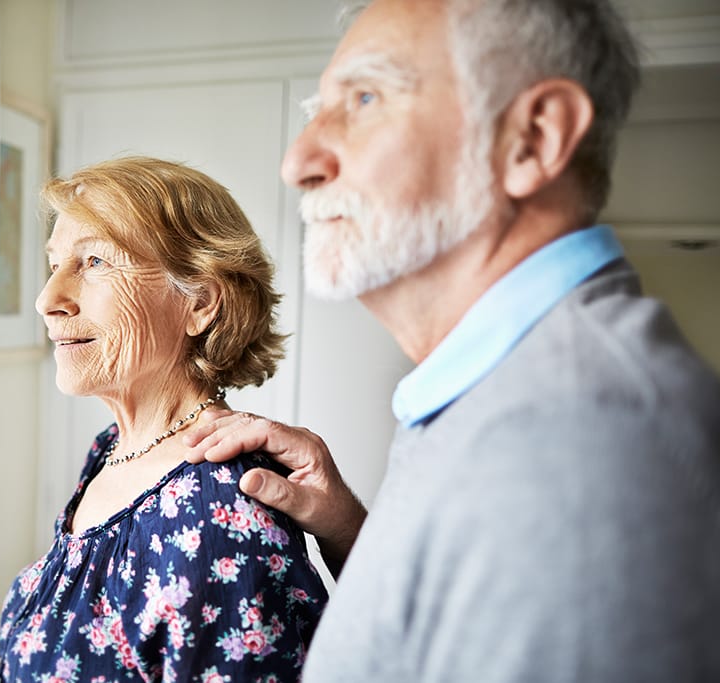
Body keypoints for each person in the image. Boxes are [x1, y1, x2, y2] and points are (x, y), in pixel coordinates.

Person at [185, 0, 720, 680]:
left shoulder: (575, 446)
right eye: (319, 107)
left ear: (533, 139)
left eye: (365, 98)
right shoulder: (507, 401)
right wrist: (354, 531)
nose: (299, 161)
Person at [0, 157, 328, 682]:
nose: (47, 299)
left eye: (96, 262)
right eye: (54, 262)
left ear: (199, 301)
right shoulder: (114, 448)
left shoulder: (222, 507)